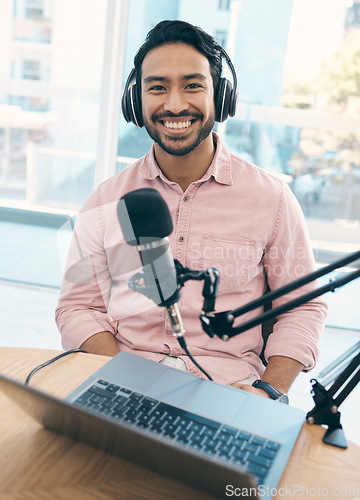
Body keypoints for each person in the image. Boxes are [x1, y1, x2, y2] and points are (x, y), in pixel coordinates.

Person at [55, 20, 327, 400]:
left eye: (193, 85)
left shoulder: (273, 200)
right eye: (157, 88)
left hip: (231, 391)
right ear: (137, 102)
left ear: (222, 97)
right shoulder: (105, 201)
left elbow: (303, 308)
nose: (175, 104)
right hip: (124, 382)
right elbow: (78, 307)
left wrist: (267, 391)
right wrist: (116, 378)